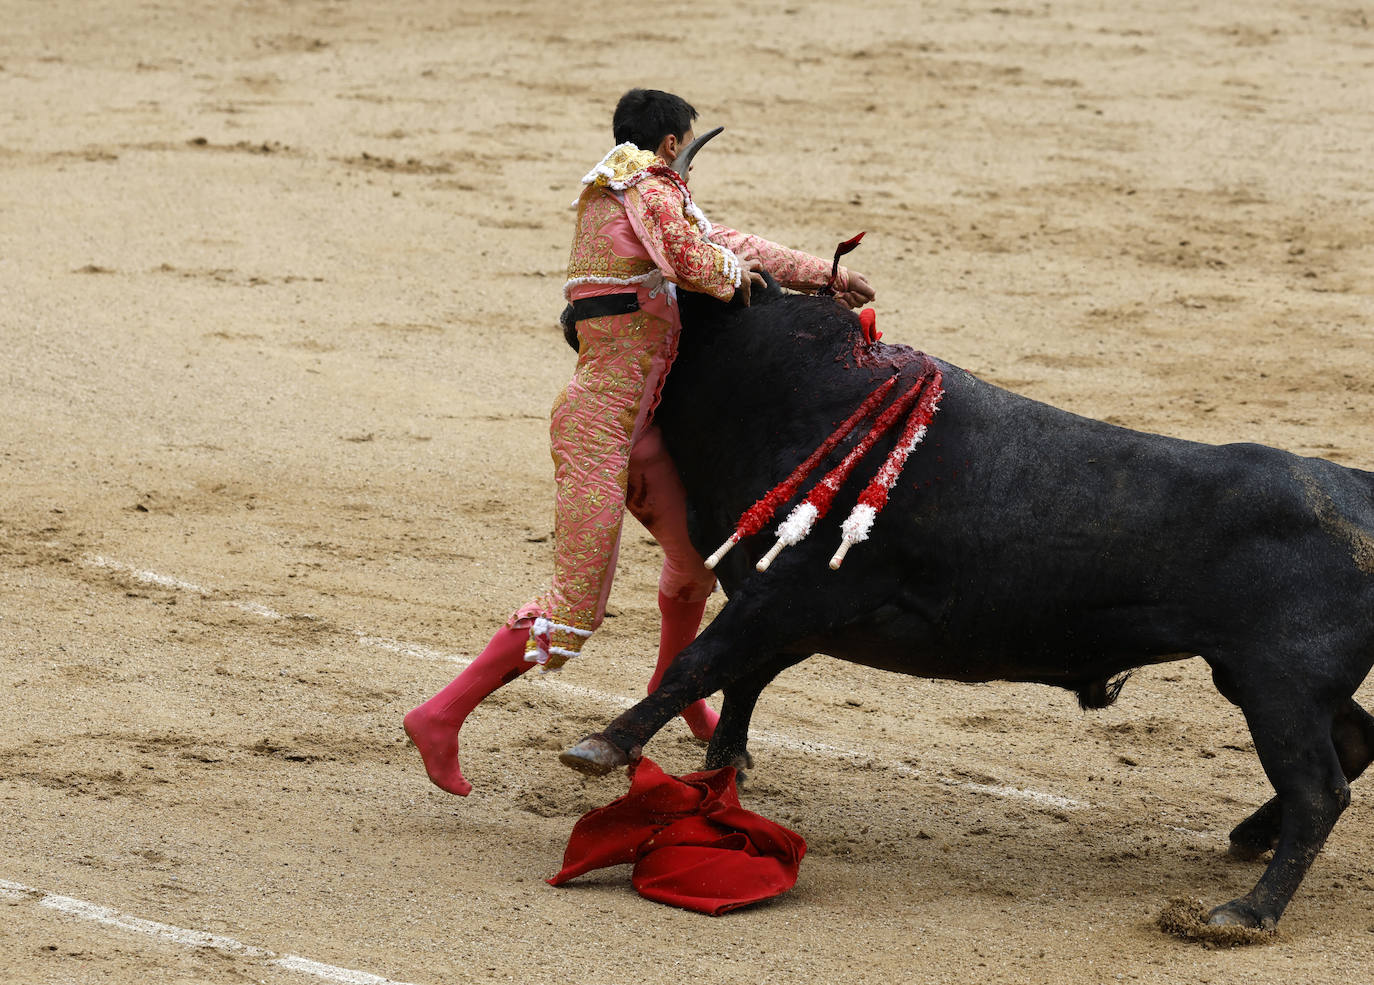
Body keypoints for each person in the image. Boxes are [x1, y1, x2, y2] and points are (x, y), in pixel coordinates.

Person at [404, 88, 876, 796]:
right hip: (598, 429)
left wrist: (820, 274)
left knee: (697, 566)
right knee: (574, 608)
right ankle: (440, 714)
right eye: (683, 145)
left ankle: (674, 687)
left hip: (641, 428)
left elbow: (724, 242)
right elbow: (699, 259)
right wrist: (738, 280)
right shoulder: (646, 187)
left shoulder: (636, 194)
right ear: (668, 144)